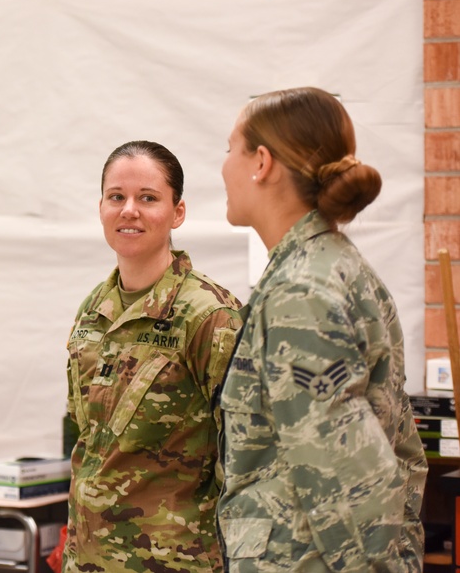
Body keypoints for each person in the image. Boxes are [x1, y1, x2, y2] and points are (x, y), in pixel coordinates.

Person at [216, 87, 428, 572]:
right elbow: (403, 453)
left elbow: (346, 473)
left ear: (261, 162)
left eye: (230, 149)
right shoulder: (334, 270)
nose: (224, 165)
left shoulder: (300, 291)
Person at [63, 140, 243, 572]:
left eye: (148, 198)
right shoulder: (94, 309)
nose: (129, 210)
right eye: (116, 197)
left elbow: (245, 455)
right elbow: (86, 439)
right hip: (89, 560)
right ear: (101, 206)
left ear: (177, 212)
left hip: (176, 561)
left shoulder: (210, 315)